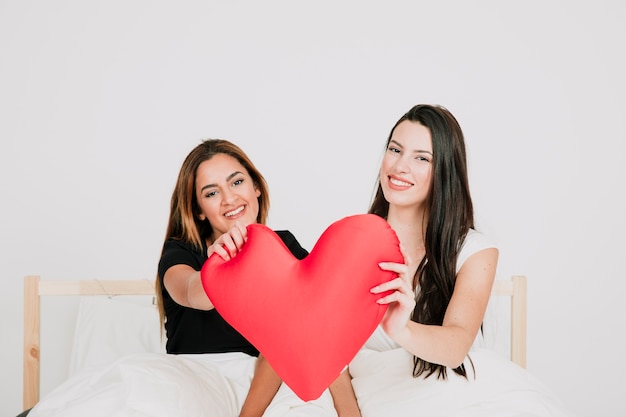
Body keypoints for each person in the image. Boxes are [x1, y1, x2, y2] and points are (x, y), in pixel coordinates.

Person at [347, 105, 574, 416]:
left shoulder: (475, 251)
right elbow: (324, 352)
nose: (400, 166)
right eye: (395, 149)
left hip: (447, 394)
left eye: (421, 158)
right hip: (367, 396)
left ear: (445, 171)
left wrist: (402, 329)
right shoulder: (349, 242)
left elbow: (455, 347)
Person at [156, 139, 361, 417]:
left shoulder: (284, 246)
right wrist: (217, 268)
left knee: (307, 322)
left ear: (256, 188)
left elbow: (323, 327)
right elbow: (190, 291)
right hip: (202, 378)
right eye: (212, 193)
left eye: (237, 182)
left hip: (267, 382)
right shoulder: (181, 252)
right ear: (199, 210)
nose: (229, 198)